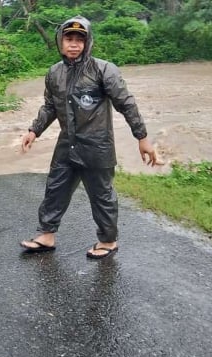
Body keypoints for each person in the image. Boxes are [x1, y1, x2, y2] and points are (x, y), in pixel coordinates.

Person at [19, 15, 157, 259]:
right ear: (60, 41)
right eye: (68, 38)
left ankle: (108, 240)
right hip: (66, 143)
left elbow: (126, 103)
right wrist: (34, 130)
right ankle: (46, 235)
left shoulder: (104, 70)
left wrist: (142, 137)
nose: (73, 44)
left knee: (101, 195)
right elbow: (50, 106)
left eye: (79, 39)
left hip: (97, 145)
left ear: (88, 42)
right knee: (55, 188)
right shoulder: (54, 73)